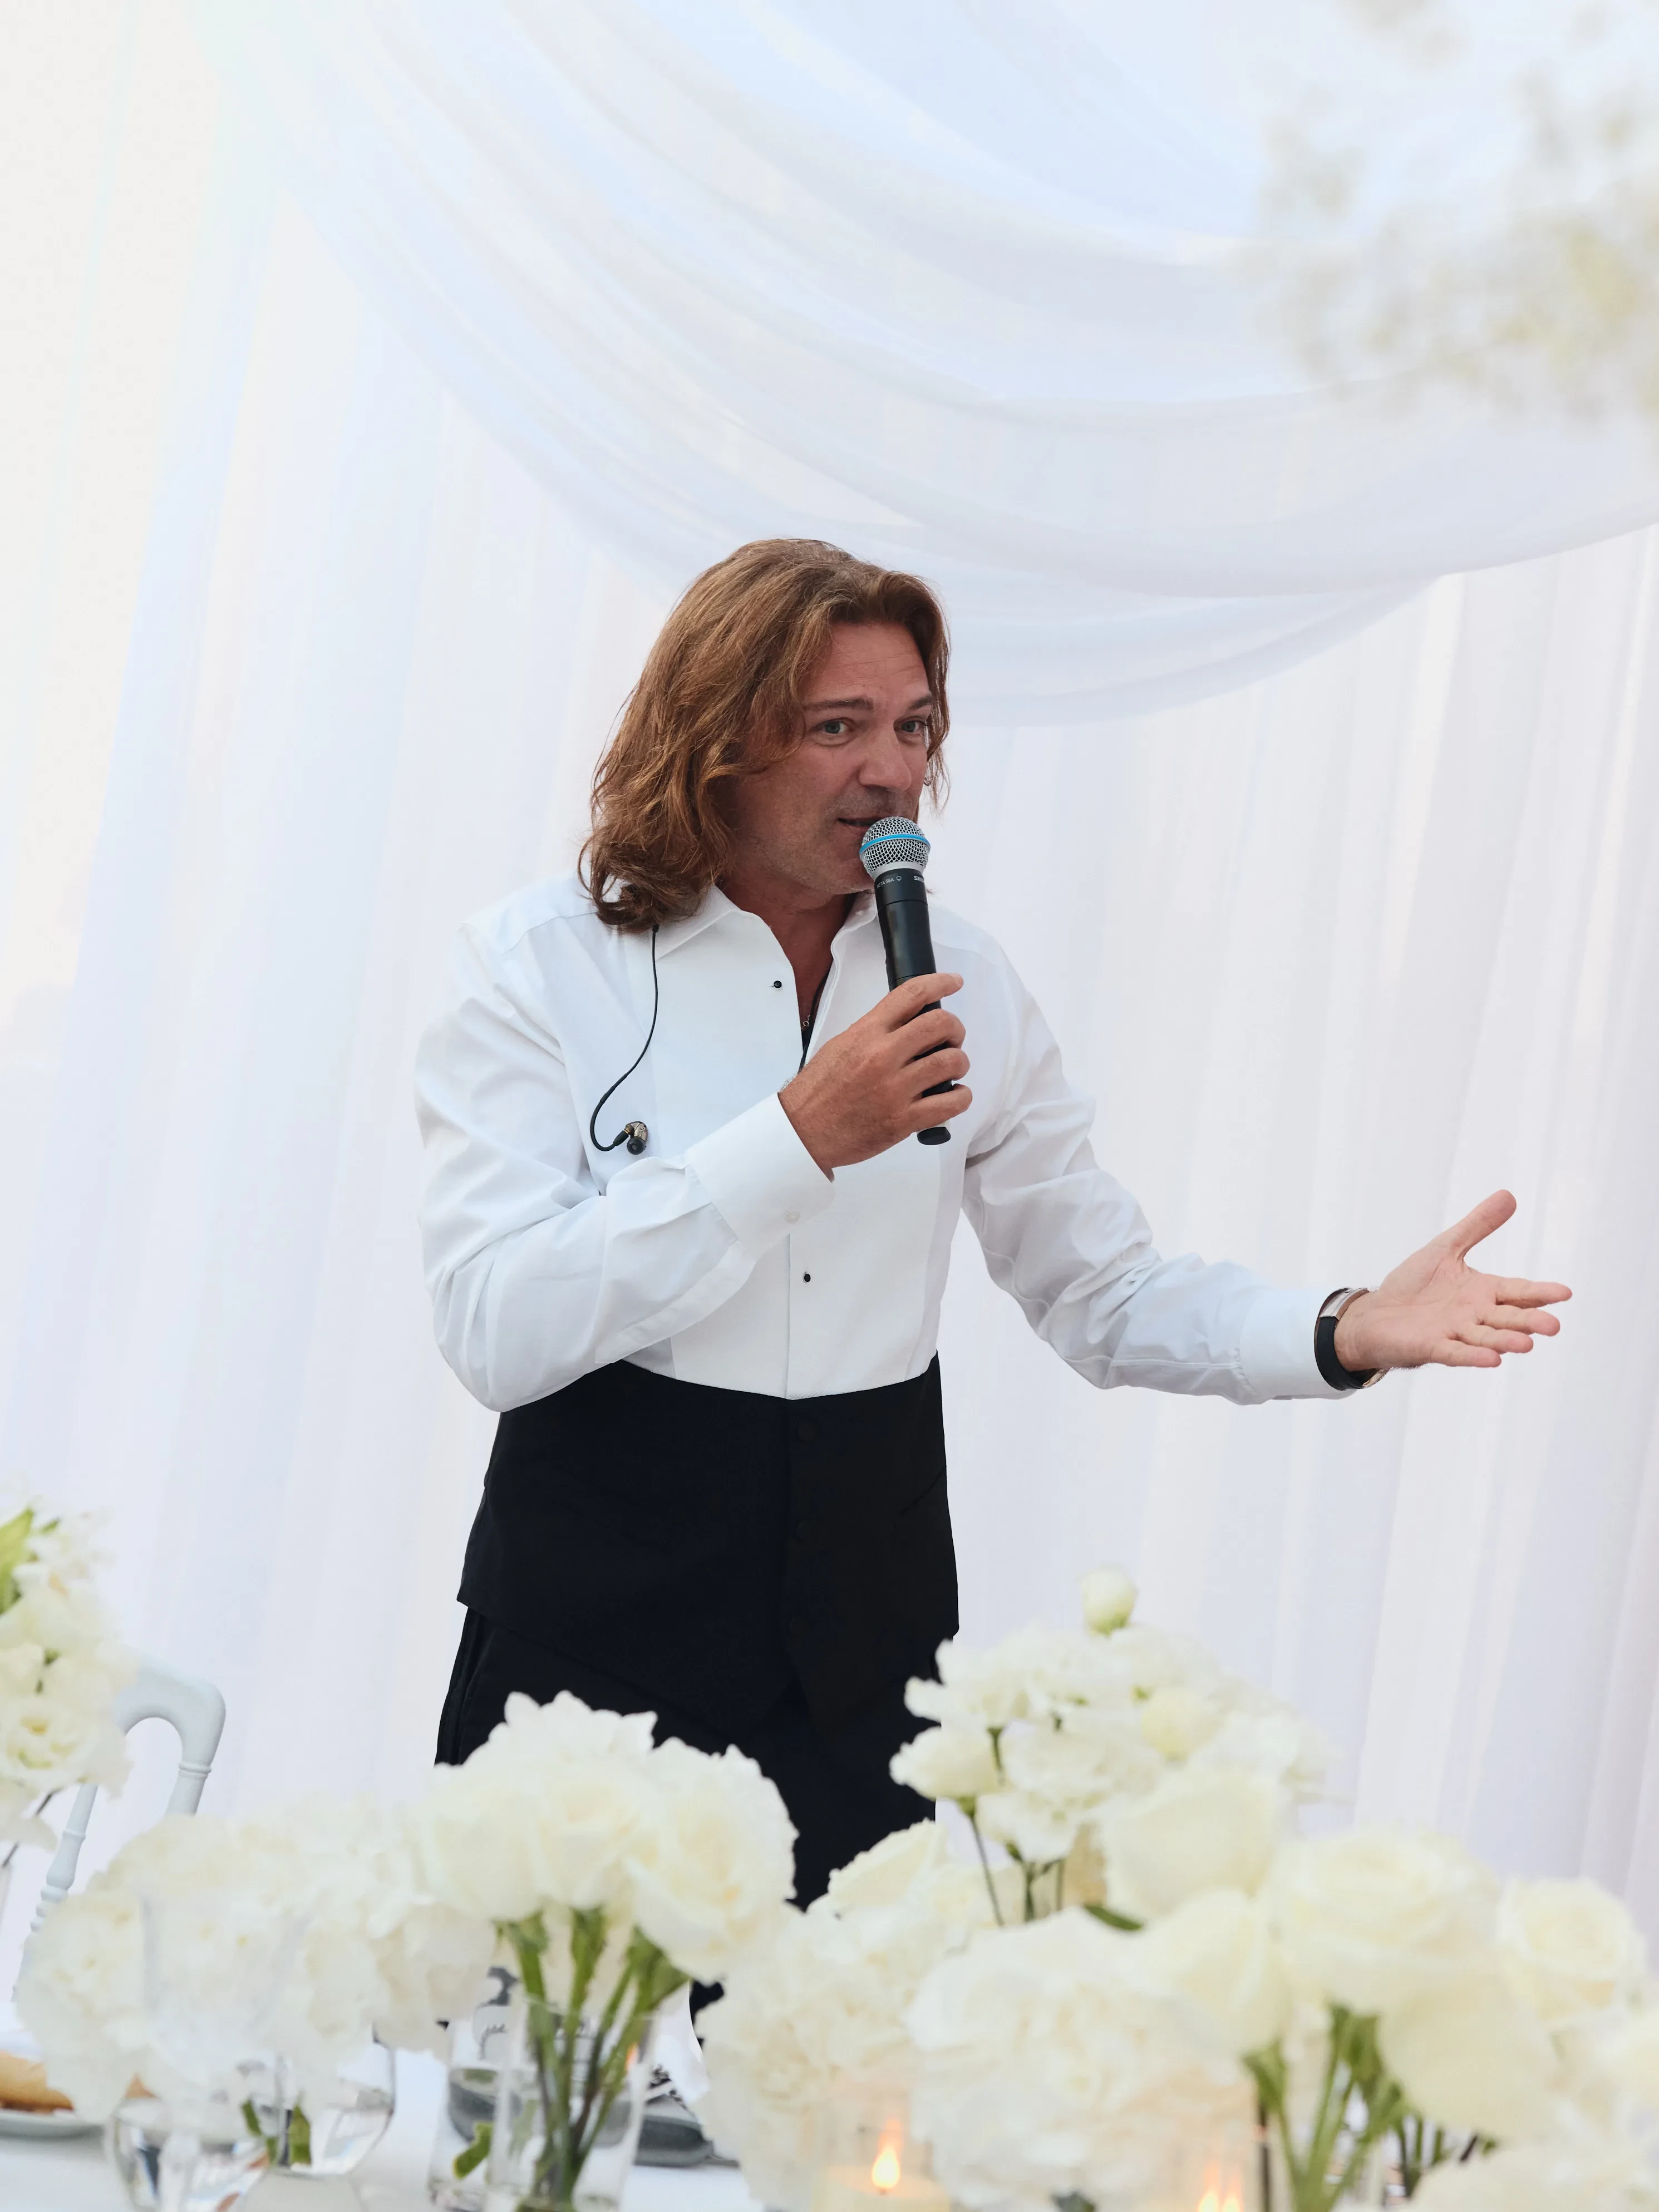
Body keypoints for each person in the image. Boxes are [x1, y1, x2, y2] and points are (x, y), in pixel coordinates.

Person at [416, 538, 1569, 1904]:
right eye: (836, 728)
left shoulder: (966, 981)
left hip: (859, 1647)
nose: (889, 771)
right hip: (588, 1631)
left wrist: (1340, 1328)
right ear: (715, 740)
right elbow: (495, 1327)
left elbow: (1104, 1292)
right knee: (541, 2031)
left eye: (913, 728)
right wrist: (794, 1137)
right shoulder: (539, 964)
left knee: (845, 2039)